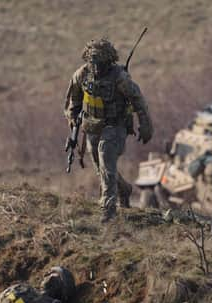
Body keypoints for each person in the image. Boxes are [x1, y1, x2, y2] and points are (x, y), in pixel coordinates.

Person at [64, 38, 153, 222]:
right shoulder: (82, 75)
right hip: (92, 127)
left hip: (115, 126)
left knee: (105, 156)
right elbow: (73, 101)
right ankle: (123, 189)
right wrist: (73, 120)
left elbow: (138, 100)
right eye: (92, 62)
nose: (96, 67)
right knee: (102, 168)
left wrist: (145, 124)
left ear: (108, 61)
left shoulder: (119, 78)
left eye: (100, 63)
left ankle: (108, 209)